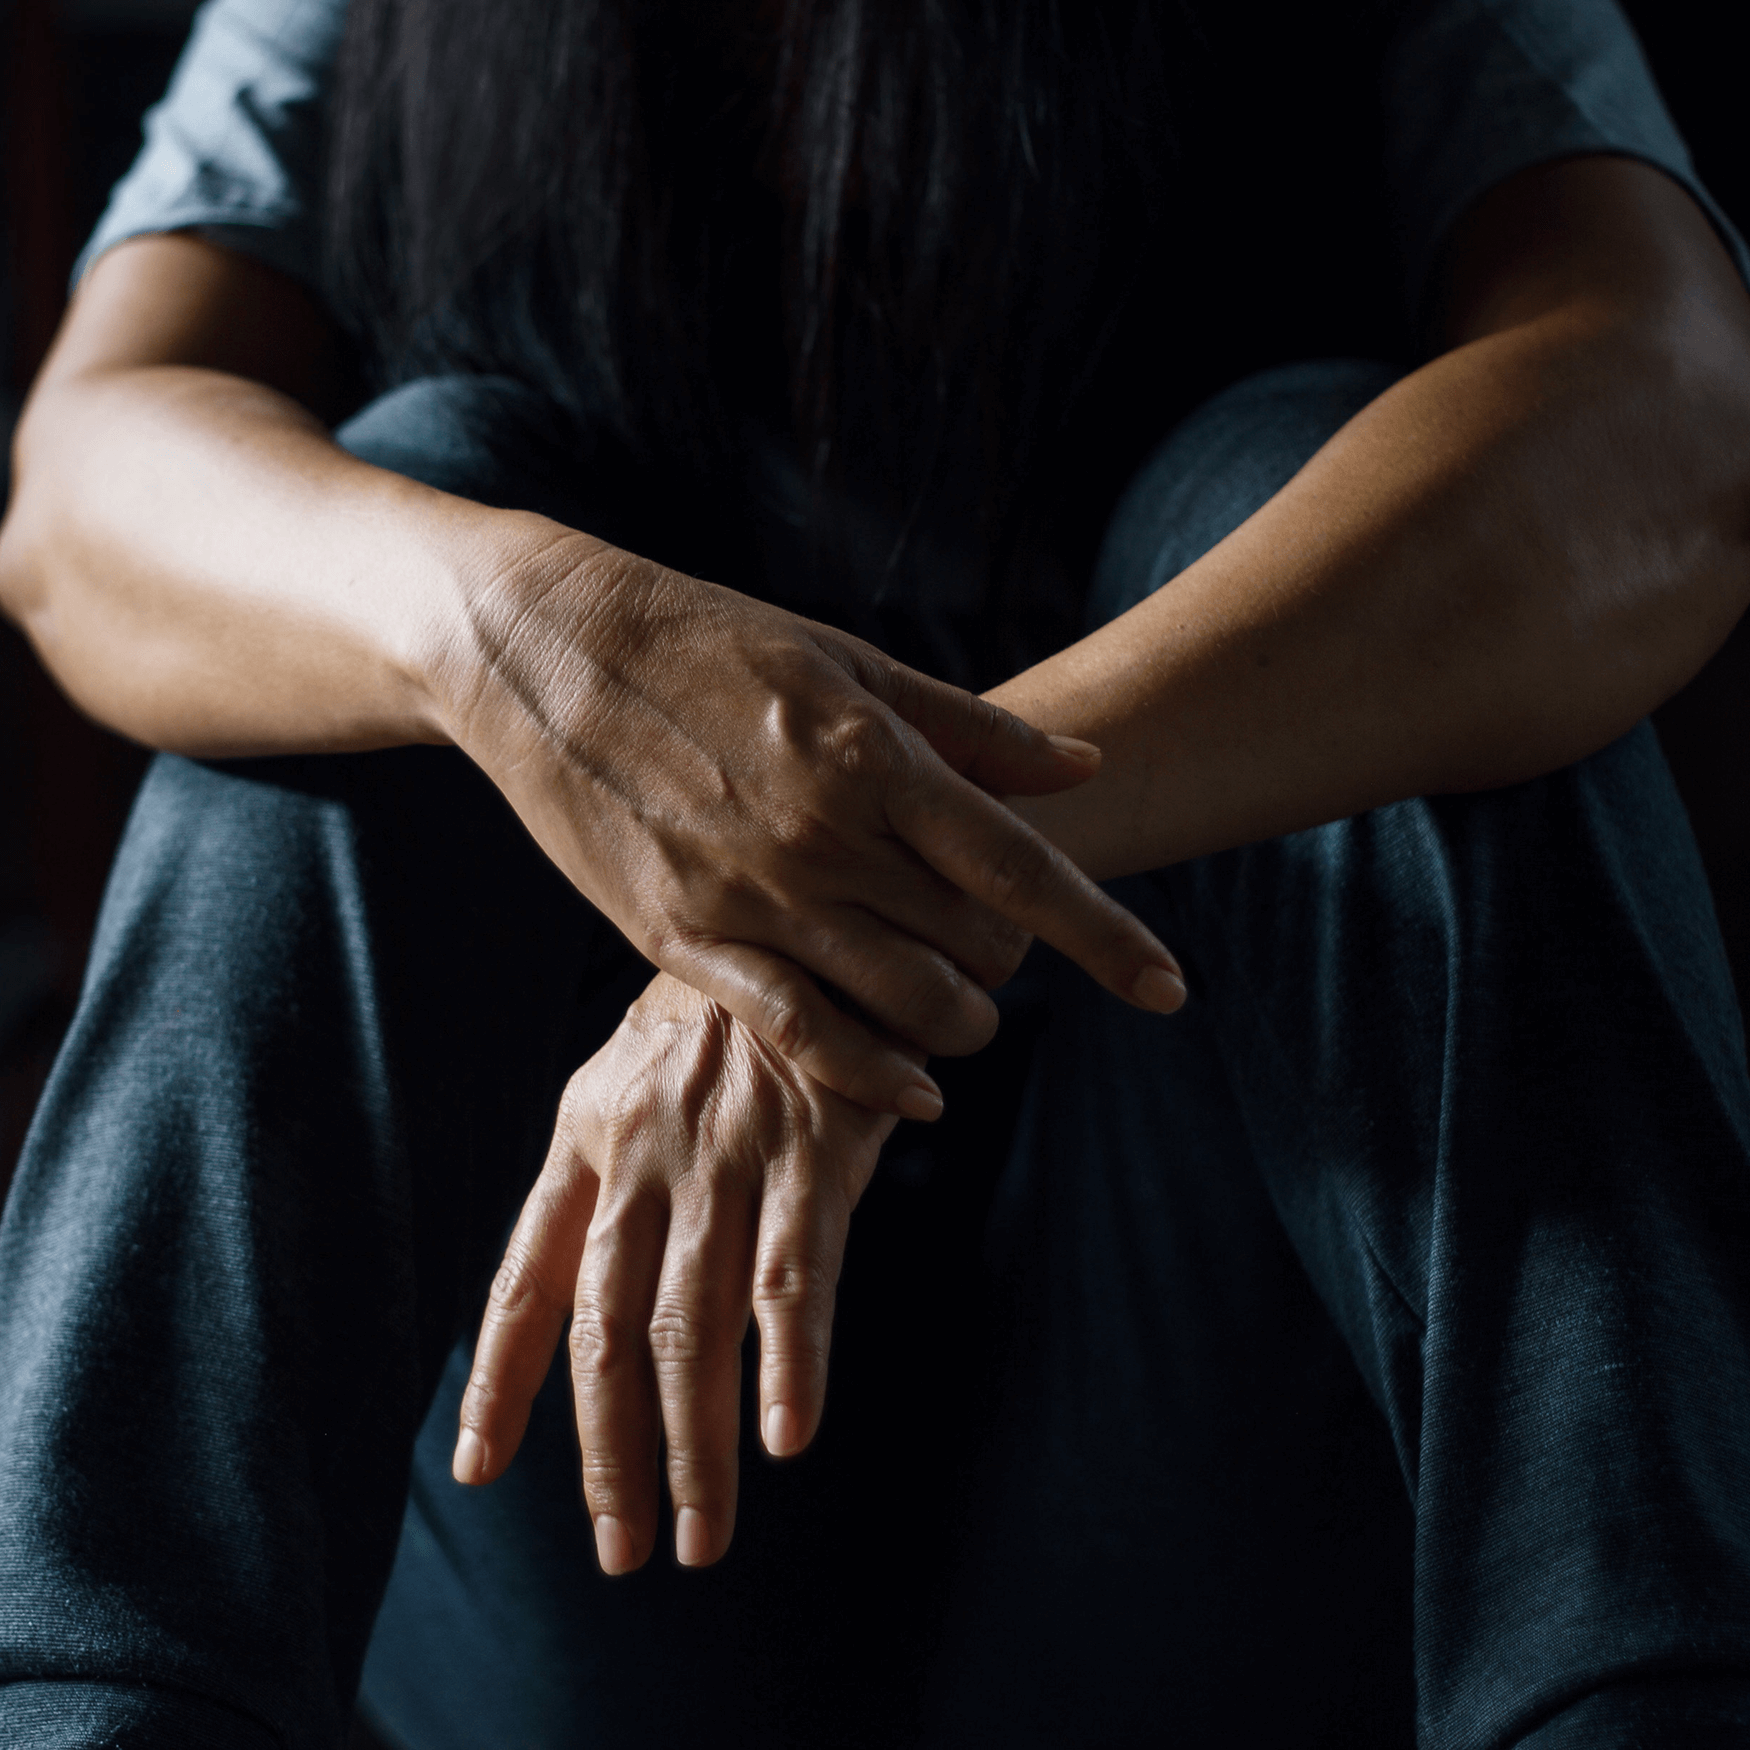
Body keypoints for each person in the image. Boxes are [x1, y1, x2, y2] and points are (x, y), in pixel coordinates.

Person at [4, 0, 1750, 1743]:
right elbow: (84, 498)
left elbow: (1664, 417)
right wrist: (509, 637)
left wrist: (828, 895)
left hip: (1212, 1455)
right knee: (406, 505)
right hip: (604, 1469)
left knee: (1332, 494)